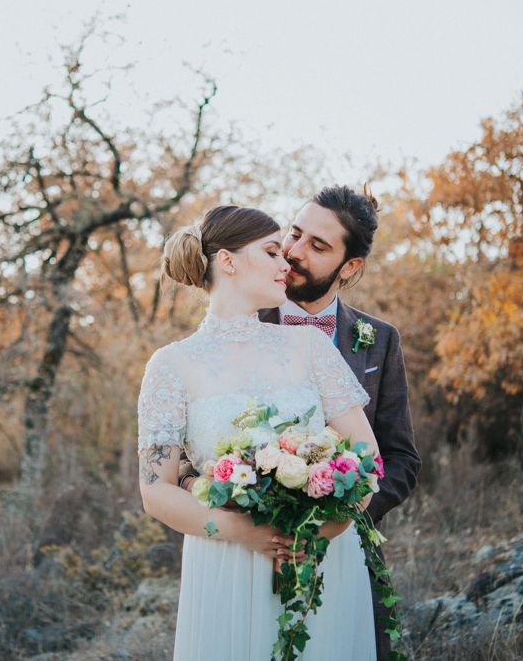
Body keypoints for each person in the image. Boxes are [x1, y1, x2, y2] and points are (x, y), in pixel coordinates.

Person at [178, 186, 421, 660]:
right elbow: (190, 459)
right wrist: (240, 508)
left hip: (343, 548)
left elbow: (400, 458)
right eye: (294, 234)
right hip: (243, 555)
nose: (293, 252)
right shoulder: (236, 321)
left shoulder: (379, 341)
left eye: (318, 246)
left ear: (349, 267)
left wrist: (332, 517)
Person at [138, 205, 380, 660]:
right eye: (271, 252)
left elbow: (368, 456)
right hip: (226, 562)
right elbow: (156, 491)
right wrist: (240, 531)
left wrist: (324, 527)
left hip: (321, 558)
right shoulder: (172, 366)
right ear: (227, 261)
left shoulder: (309, 347)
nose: (285, 263)